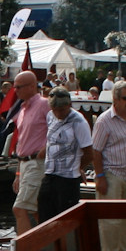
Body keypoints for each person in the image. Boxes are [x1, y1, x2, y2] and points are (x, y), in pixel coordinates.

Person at [91, 81, 126, 251]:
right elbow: (95, 150)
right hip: (111, 173)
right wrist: (100, 177)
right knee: (110, 219)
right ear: (115, 99)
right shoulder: (104, 121)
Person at [39, 89, 92, 223]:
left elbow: (89, 152)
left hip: (68, 178)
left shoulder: (79, 121)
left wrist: (78, 167)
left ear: (69, 105)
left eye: (62, 110)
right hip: (50, 174)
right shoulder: (50, 116)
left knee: (66, 220)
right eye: (55, 110)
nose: (58, 113)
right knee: (45, 216)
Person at [6, 71, 50, 233]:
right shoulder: (23, 109)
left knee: (20, 208)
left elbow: (59, 130)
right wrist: (18, 173)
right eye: (14, 87)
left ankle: (26, 247)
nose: (15, 91)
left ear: (32, 86)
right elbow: (22, 142)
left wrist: (47, 147)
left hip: (37, 163)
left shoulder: (45, 104)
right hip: (25, 162)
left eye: (19, 87)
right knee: (36, 210)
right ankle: (50, 243)